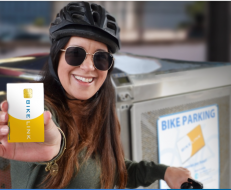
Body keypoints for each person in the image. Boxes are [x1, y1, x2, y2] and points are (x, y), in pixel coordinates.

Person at [0, 1, 192, 189]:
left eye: (101, 58)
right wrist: (56, 146)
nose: (88, 67)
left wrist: (164, 172)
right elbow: (30, 122)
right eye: (76, 54)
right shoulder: (31, 103)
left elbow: (113, 170)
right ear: (56, 56)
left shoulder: (99, 112)